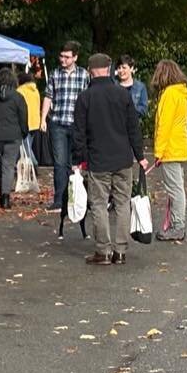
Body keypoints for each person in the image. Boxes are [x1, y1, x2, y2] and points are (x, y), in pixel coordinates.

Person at [72, 52, 145, 265]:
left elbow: (79, 133)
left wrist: (78, 159)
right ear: (108, 69)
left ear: (90, 71)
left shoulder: (85, 97)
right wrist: (139, 155)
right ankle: (120, 251)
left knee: (99, 204)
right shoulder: (123, 95)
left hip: (98, 160)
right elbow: (133, 127)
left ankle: (102, 250)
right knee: (123, 204)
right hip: (123, 158)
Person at [41, 41, 88, 213]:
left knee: (74, 164)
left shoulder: (84, 75)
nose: (63, 60)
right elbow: (48, 96)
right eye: (61, 56)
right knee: (60, 163)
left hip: (76, 125)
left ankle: (74, 198)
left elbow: (87, 100)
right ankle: (59, 200)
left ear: (75, 57)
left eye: (67, 57)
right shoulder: (55, 74)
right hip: (58, 123)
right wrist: (43, 119)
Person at [150, 59, 187, 240]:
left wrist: (158, 152)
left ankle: (178, 226)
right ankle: (177, 225)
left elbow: (164, 125)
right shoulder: (182, 93)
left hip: (170, 148)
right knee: (177, 188)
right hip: (179, 145)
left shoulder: (168, 94)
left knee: (174, 190)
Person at [0, 68, 29, 209]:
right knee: (8, 165)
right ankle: (5, 196)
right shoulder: (18, 97)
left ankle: (2, 193)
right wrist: (24, 132)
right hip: (13, 135)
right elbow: (23, 117)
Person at [18, 61, 45, 162]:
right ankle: (31, 166)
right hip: (35, 123)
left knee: (26, 148)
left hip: (26, 123)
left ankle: (34, 165)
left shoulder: (20, 91)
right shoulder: (36, 90)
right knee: (28, 146)